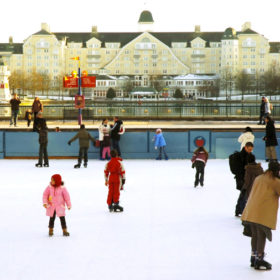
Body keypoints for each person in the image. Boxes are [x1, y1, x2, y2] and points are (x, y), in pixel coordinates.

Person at [241, 161, 280, 270]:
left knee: (255, 235)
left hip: (251, 210)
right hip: (262, 212)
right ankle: (259, 259)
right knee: (261, 234)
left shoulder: (259, 177)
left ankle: (253, 257)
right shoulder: (275, 181)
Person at [230, 142, 254, 217]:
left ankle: (239, 210)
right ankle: (242, 210)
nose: (250, 151)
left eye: (251, 149)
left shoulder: (251, 157)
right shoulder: (238, 156)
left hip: (248, 178)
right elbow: (237, 168)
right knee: (244, 193)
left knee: (244, 193)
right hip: (240, 178)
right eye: (249, 149)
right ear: (245, 147)